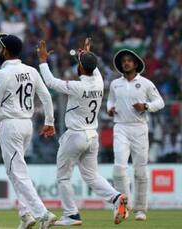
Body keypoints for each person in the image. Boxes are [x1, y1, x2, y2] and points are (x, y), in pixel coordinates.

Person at [37, 39, 128, 226]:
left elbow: (50, 82)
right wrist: (85, 54)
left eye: (79, 63)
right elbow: (92, 67)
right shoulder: (99, 81)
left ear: (81, 67)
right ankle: (116, 198)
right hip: (92, 136)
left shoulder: (77, 87)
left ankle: (71, 215)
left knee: (63, 177)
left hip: (75, 135)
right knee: (92, 176)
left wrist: (42, 61)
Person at [0, 33, 57, 229]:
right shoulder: (31, 71)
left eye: (1, 48)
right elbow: (46, 97)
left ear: (6, 51)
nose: (0, 51)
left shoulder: (2, 74)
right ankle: (25, 215)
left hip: (11, 125)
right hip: (27, 125)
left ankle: (43, 214)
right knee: (14, 171)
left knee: (18, 172)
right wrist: (49, 121)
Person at [107, 49, 165, 221]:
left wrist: (146, 106)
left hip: (139, 128)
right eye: (123, 61)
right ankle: (123, 206)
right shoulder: (115, 84)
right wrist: (109, 109)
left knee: (140, 171)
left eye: (129, 61)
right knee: (119, 168)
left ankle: (140, 209)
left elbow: (160, 102)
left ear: (136, 64)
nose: (126, 63)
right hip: (120, 127)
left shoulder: (146, 83)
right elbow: (110, 100)